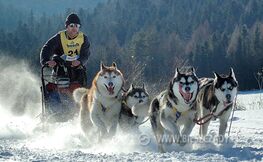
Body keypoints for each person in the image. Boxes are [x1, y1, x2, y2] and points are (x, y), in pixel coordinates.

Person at [40, 13, 91, 121]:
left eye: (77, 26)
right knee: (55, 89)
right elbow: (46, 48)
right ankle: (55, 113)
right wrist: (46, 61)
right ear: (67, 26)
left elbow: (85, 54)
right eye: (72, 25)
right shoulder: (59, 37)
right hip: (60, 69)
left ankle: (76, 114)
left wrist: (80, 61)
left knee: (77, 92)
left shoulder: (83, 38)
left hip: (77, 71)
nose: (74, 28)